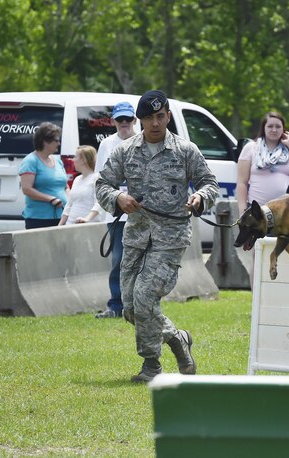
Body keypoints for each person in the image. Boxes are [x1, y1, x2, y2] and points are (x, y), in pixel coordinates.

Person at [95, 90, 219, 382]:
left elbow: (209, 183)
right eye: (148, 118)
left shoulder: (185, 150)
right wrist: (118, 198)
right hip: (136, 235)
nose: (154, 123)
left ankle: (151, 365)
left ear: (168, 117)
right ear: (140, 120)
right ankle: (176, 338)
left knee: (145, 295)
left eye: (159, 116)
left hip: (170, 237)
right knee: (130, 305)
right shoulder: (125, 151)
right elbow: (102, 185)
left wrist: (200, 197)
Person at [93, 101, 137, 318]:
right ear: (114, 121)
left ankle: (138, 304)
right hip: (117, 212)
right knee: (118, 259)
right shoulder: (107, 145)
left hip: (142, 211)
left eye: (128, 119)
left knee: (141, 260)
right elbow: (100, 179)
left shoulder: (144, 142)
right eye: (120, 120)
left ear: (135, 120)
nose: (124, 123)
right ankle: (116, 305)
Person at [235, 111, 289, 217]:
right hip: (258, 211)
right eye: (270, 126)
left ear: (283, 129)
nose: (274, 130)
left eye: (278, 126)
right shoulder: (251, 148)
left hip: (285, 211)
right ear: (263, 128)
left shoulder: (288, 149)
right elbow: (242, 183)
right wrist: (242, 210)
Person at [18, 122, 68, 229]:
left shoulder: (58, 161)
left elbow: (65, 186)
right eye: (56, 140)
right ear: (45, 141)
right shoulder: (31, 161)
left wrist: (70, 202)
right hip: (38, 219)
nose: (59, 144)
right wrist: (50, 199)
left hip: (61, 217)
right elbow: (26, 189)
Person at [58, 145, 102, 225]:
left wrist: (86, 219)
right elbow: (69, 205)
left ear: (83, 160)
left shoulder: (97, 178)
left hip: (88, 226)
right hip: (71, 225)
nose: (73, 160)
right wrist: (60, 225)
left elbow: (99, 203)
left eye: (75, 157)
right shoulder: (77, 179)